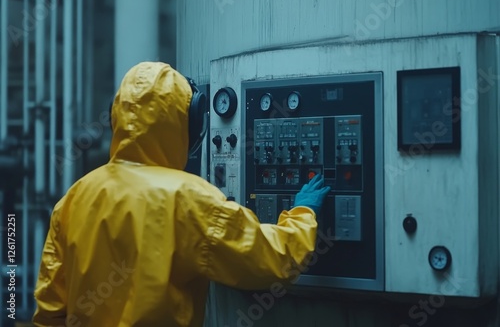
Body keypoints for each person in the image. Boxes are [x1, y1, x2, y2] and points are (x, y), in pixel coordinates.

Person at [33, 61, 331, 327]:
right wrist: (304, 213)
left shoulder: (73, 199)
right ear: (188, 120)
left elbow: (50, 310)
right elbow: (274, 260)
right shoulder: (190, 199)